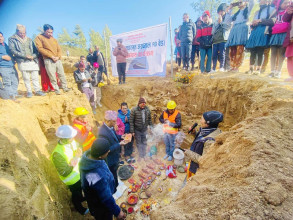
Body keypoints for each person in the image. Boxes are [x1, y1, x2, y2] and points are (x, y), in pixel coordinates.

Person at [79, 138, 126, 220]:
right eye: (107, 151)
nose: (108, 152)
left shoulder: (90, 158)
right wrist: (117, 212)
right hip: (100, 206)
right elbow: (106, 198)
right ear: (100, 155)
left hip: (96, 200)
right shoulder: (95, 176)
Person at [51, 125, 88, 215]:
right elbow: (64, 172)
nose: (73, 138)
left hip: (79, 174)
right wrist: (75, 157)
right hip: (72, 180)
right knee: (76, 194)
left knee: (81, 189)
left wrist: (80, 151)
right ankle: (79, 208)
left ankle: (82, 197)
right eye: (71, 137)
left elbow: (77, 147)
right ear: (65, 138)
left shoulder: (71, 142)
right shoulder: (57, 154)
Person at [9, 24, 45, 98]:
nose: (23, 35)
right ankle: (29, 91)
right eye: (21, 33)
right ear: (17, 32)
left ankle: (37, 90)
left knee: (35, 76)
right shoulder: (12, 39)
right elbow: (13, 50)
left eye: (24, 33)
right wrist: (25, 56)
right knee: (26, 77)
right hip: (22, 61)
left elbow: (36, 51)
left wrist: (33, 56)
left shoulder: (29, 39)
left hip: (32, 61)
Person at [184, 111, 223, 178]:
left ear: (207, 123)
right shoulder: (206, 130)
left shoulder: (211, 141)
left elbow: (204, 159)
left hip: (196, 169)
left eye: (202, 119)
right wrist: (194, 133)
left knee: (190, 181)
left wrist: (189, 153)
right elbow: (201, 139)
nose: (200, 120)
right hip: (192, 162)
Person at [35, 24, 70, 95]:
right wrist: (51, 56)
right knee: (52, 75)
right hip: (48, 59)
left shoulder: (54, 39)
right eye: (48, 32)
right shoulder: (39, 37)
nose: (50, 34)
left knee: (61, 74)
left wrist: (58, 56)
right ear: (44, 31)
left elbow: (59, 49)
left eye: (51, 32)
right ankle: (56, 89)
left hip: (57, 59)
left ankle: (65, 87)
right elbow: (40, 49)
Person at [98, 111, 129, 189]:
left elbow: (114, 137)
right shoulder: (102, 133)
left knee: (115, 171)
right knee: (112, 174)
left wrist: (121, 136)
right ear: (108, 121)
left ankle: (116, 184)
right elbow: (106, 150)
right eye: (114, 121)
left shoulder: (110, 127)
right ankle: (114, 188)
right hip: (110, 159)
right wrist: (119, 144)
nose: (116, 123)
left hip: (115, 156)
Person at [245, 0, 275, 75]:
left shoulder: (272, 10)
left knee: (260, 50)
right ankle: (251, 69)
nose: (261, 2)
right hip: (255, 31)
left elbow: (273, 21)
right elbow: (253, 23)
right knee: (252, 50)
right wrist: (252, 23)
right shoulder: (257, 12)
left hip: (263, 30)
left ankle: (258, 69)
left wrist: (260, 20)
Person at [226, 0, 255, 72]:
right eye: (238, 2)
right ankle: (232, 66)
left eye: (241, 2)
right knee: (232, 49)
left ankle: (237, 66)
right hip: (234, 30)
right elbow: (227, 20)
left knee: (240, 48)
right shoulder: (236, 14)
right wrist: (230, 8)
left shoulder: (247, 10)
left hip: (242, 29)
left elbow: (252, 3)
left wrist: (246, 1)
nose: (239, 3)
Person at [268, 0, 290, 78]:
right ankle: (272, 71)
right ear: (279, 4)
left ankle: (278, 72)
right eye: (285, 3)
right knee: (273, 52)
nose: (286, 4)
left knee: (281, 53)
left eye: (288, 3)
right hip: (275, 34)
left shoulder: (289, 12)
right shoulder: (276, 12)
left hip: (284, 34)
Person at [212, 4, 232, 72]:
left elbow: (228, 27)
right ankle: (214, 68)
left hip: (224, 38)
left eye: (221, 11)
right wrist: (218, 22)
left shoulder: (228, 17)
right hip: (216, 40)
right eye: (218, 12)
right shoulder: (216, 21)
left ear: (224, 11)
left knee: (224, 54)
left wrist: (221, 22)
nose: (219, 13)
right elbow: (213, 31)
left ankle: (223, 67)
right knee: (215, 55)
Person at [0, 32, 20, 100]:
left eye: (1, 36)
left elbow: (11, 54)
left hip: (11, 66)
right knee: (7, 82)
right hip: (3, 67)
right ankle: (10, 97)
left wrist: (14, 59)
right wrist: (2, 57)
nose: (0, 38)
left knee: (15, 81)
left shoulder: (5, 45)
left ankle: (14, 94)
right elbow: (4, 56)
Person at [283, 1, 293, 81]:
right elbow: (285, 19)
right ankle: (291, 75)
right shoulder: (291, 7)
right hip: (291, 37)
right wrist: (289, 12)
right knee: (290, 56)